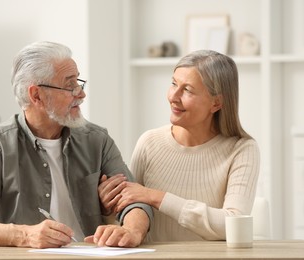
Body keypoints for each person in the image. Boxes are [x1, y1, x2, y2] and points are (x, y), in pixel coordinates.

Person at [0, 41, 152, 248]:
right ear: (36, 95)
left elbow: (136, 201)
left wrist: (131, 231)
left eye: (79, 82)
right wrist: (24, 235)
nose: (81, 93)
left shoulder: (97, 139)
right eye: (70, 85)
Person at [99, 50, 260, 242]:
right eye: (174, 83)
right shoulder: (149, 142)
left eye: (188, 90)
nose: (173, 97)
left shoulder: (242, 149)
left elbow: (233, 224)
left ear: (216, 103)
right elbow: (132, 216)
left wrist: (157, 197)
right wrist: (108, 209)